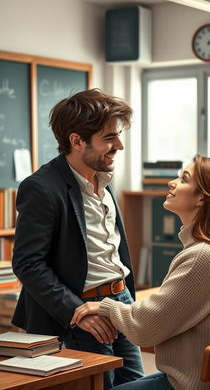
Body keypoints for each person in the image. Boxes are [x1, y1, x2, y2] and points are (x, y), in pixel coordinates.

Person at [70, 154, 210, 390]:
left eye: (184, 178)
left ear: (201, 198)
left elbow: (145, 329)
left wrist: (105, 306)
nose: (172, 182)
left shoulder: (202, 256)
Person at [11, 88, 144, 390]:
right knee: (102, 386)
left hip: (120, 302)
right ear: (76, 140)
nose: (119, 146)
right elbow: (28, 263)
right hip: (81, 311)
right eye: (109, 137)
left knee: (136, 383)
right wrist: (75, 312)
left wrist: (128, 302)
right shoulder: (42, 188)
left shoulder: (104, 178)